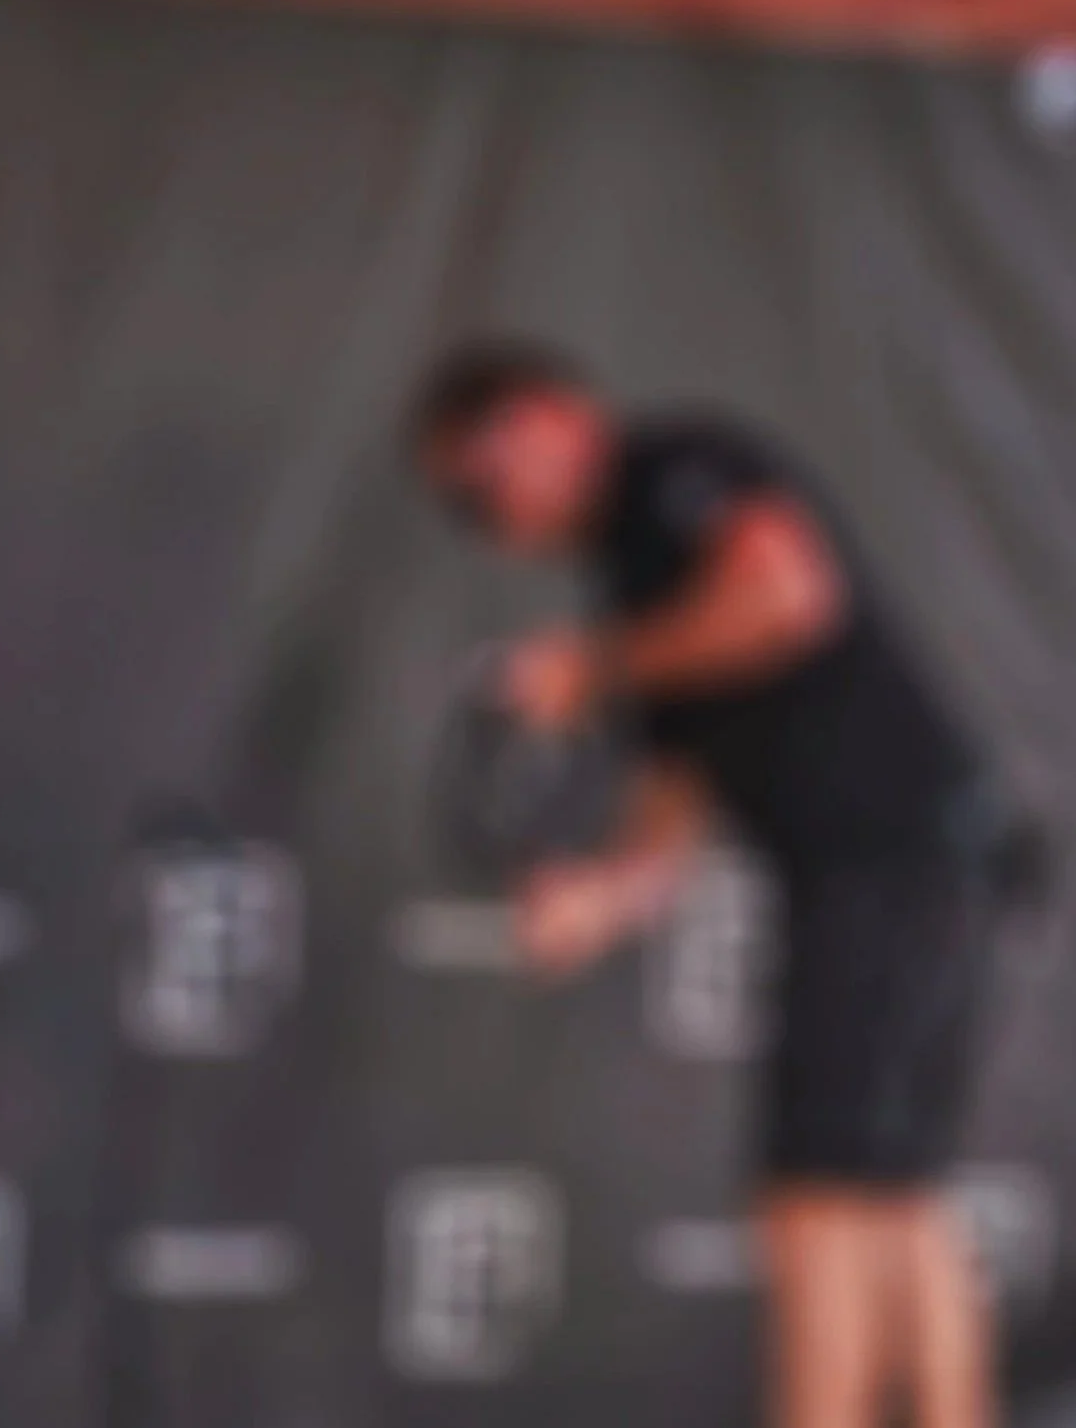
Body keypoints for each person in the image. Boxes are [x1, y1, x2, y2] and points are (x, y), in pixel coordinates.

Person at [410, 344, 1018, 1428]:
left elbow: (787, 593)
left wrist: (588, 666)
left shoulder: (673, 471)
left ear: (547, 416)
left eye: (484, 482)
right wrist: (596, 900)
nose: (491, 516)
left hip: (895, 859)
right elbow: (671, 814)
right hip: (874, 873)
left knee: (822, 1193)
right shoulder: (630, 592)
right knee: (891, 1190)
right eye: (466, 506)